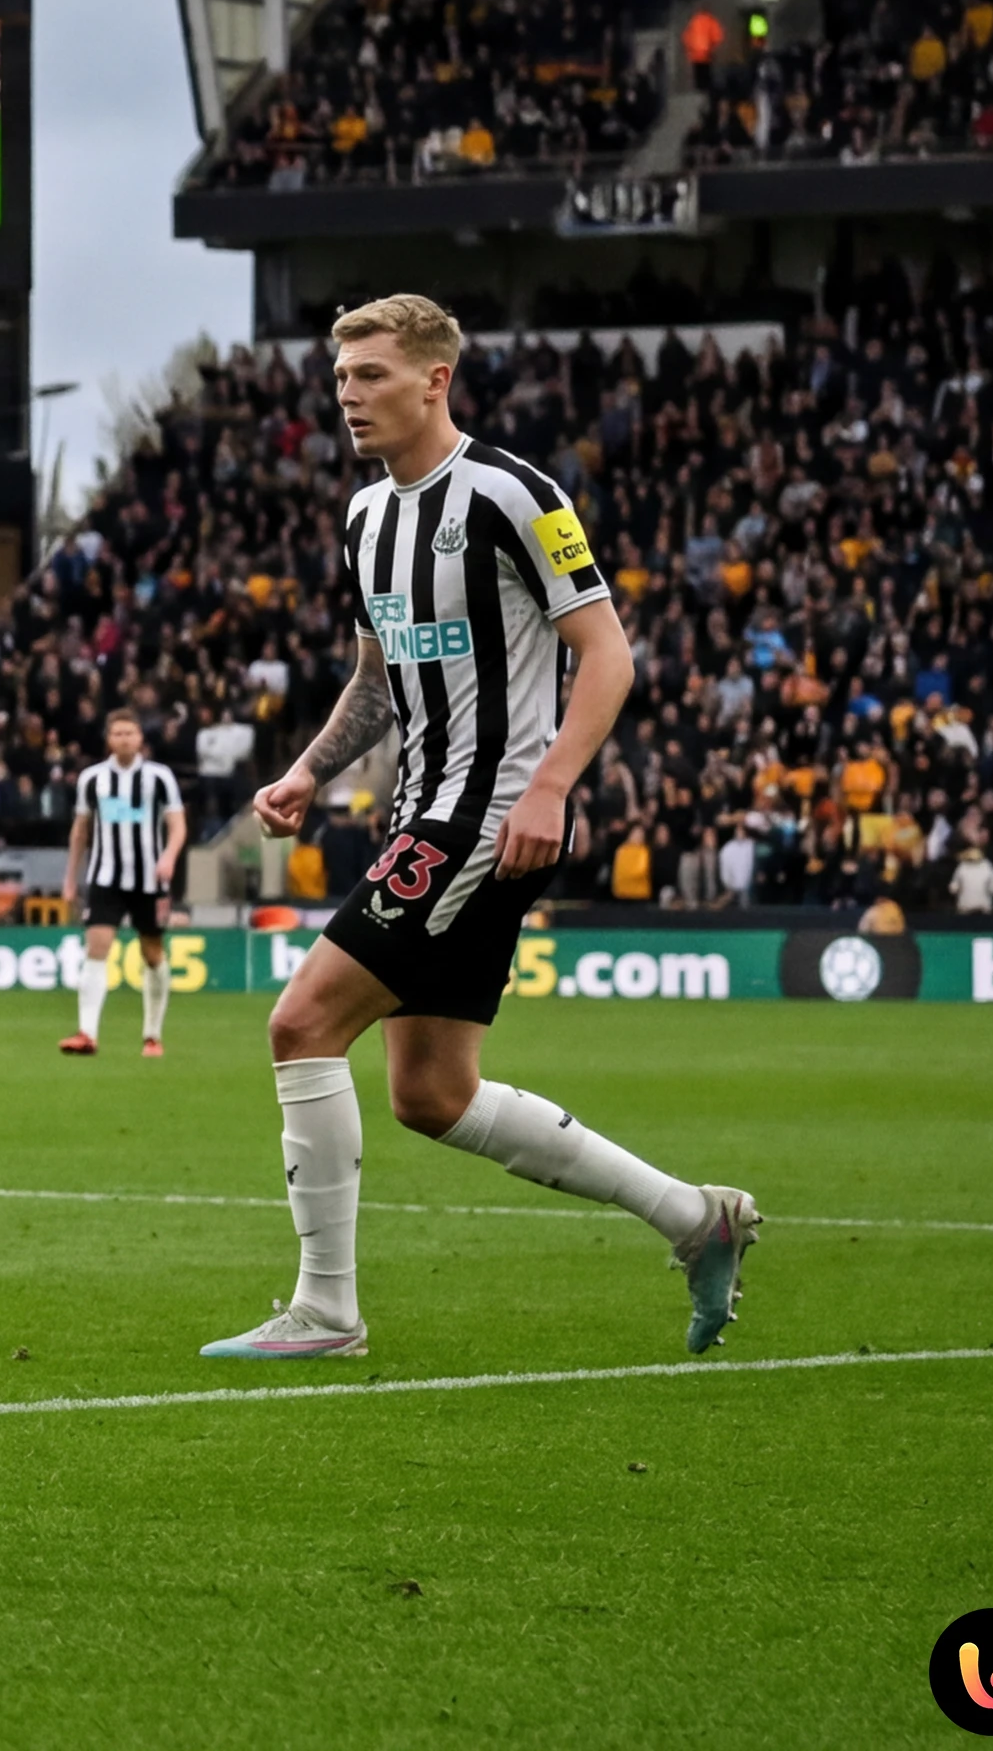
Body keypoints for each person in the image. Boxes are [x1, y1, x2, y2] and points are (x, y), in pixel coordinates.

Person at [205, 295, 760, 1364]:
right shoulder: (366, 519)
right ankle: (697, 1220)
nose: (347, 396)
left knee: (298, 1022)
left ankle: (324, 1312)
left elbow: (607, 656)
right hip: (424, 812)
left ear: (432, 380)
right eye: (339, 378)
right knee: (429, 1093)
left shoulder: (512, 494)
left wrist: (548, 786)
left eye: (369, 375)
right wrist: (307, 771)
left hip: (486, 814)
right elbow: (375, 677)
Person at [61, 710, 187, 1058]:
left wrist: (169, 858)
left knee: (152, 954)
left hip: (149, 879)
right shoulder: (92, 779)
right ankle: (87, 1033)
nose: (124, 739)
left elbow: (177, 826)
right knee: (96, 949)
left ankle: (152, 1035)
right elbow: (81, 831)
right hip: (105, 877)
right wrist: (70, 877)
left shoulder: (159, 778)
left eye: (130, 733)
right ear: (108, 739)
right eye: (117, 733)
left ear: (140, 738)